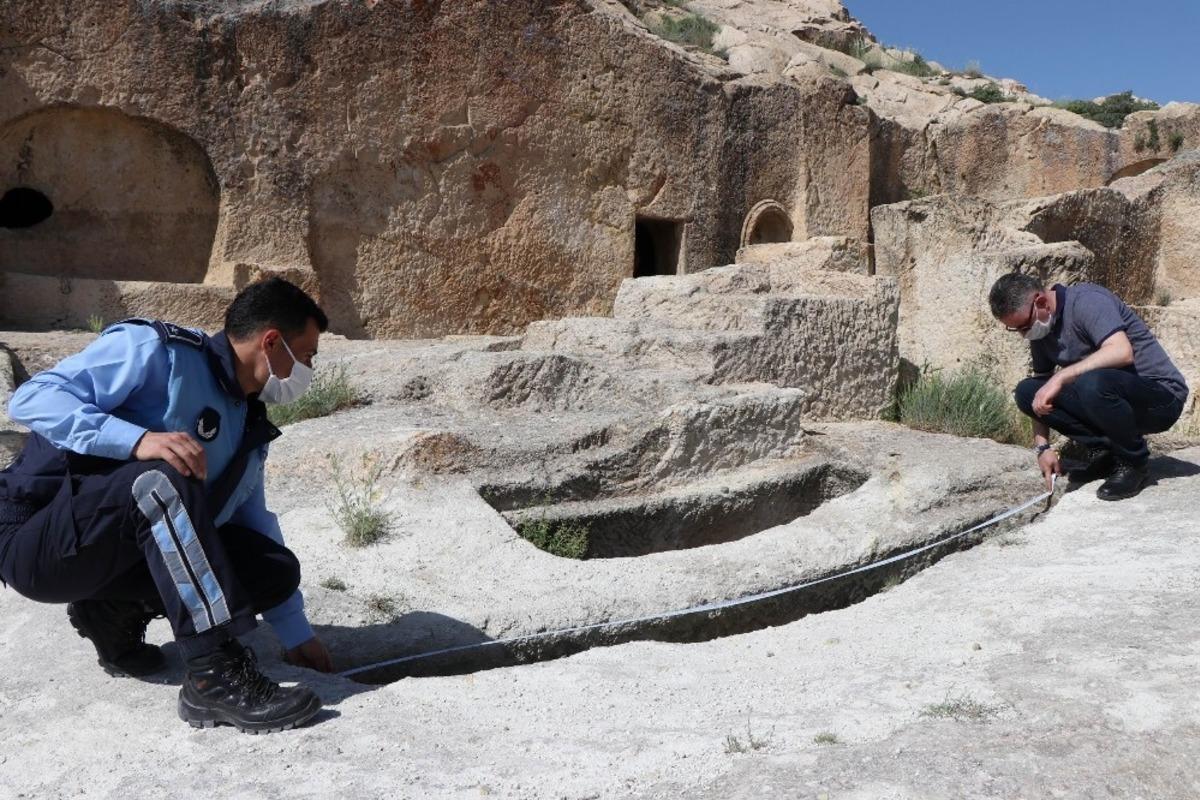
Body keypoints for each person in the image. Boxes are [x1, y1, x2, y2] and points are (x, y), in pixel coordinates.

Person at [0, 277, 334, 733]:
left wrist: (296, 633)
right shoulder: (157, 351)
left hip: (109, 548)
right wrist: (137, 440)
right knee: (161, 476)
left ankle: (111, 609)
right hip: (34, 536)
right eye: (308, 355)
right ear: (271, 342)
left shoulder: (247, 422)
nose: (309, 369)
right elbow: (32, 398)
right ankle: (213, 675)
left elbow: (250, 519)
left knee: (270, 566)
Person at [988, 273, 1188, 501]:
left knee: (1090, 383)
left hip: (1160, 398)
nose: (1024, 334)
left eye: (1024, 326)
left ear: (1041, 302)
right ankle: (1106, 452)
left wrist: (1061, 376)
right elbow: (1041, 388)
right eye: (1016, 330)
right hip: (1112, 400)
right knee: (1027, 392)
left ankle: (1133, 463)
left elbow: (1121, 352)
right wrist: (1042, 447)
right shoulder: (1042, 329)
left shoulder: (1087, 301)